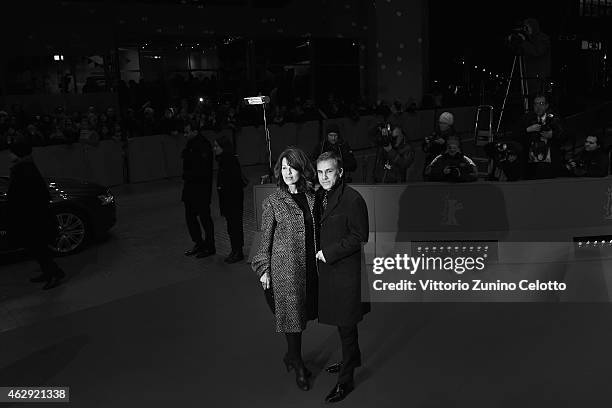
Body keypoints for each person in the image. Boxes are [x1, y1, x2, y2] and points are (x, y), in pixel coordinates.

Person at [251, 147, 318, 392]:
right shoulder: (273, 202)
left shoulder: (313, 196)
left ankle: (291, 356)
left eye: (292, 167)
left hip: (311, 266)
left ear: (302, 168)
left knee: (304, 313)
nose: (288, 172)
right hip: (285, 269)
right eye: (284, 167)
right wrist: (263, 269)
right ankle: (298, 363)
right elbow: (264, 240)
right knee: (292, 318)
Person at [315, 151, 370, 404]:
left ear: (340, 172)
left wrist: (329, 252)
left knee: (346, 325)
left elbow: (360, 236)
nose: (324, 177)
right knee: (342, 321)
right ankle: (353, 357)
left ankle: (346, 381)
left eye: (329, 171)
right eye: (320, 172)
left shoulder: (353, 199)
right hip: (330, 272)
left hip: (346, 272)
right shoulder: (320, 196)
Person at [6, 141, 65, 290]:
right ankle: (50, 272)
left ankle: (54, 274)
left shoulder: (23, 169)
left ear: (17, 153)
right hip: (33, 216)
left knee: (39, 248)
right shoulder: (25, 166)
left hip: (33, 218)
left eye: (11, 152)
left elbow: (29, 195)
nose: (9, 154)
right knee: (37, 248)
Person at [182, 124, 215, 258]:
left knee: (204, 218)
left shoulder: (203, 145)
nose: (185, 135)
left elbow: (203, 169)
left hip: (201, 188)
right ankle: (198, 243)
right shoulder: (190, 145)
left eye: (187, 132)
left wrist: (190, 175)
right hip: (190, 187)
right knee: (190, 217)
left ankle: (209, 246)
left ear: (195, 131)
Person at [514, 94, 565, 179]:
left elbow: (564, 135)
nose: (538, 107)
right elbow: (515, 134)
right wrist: (528, 130)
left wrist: (552, 135)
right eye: (535, 104)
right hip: (530, 161)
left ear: (546, 106)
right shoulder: (526, 118)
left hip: (549, 161)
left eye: (541, 103)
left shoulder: (554, 118)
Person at [213, 135, 245, 263]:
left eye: (216, 146)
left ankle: (238, 251)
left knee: (235, 226)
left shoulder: (229, 160)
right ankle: (235, 250)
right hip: (229, 199)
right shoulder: (224, 160)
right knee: (232, 226)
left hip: (233, 199)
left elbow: (233, 182)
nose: (214, 148)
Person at [509, 17, 552, 97]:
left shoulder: (543, 38)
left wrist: (524, 42)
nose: (525, 29)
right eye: (524, 27)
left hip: (539, 79)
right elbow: (517, 52)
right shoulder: (528, 40)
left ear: (533, 27)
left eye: (527, 27)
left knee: (539, 101)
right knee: (529, 102)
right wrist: (513, 42)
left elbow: (537, 52)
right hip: (528, 78)